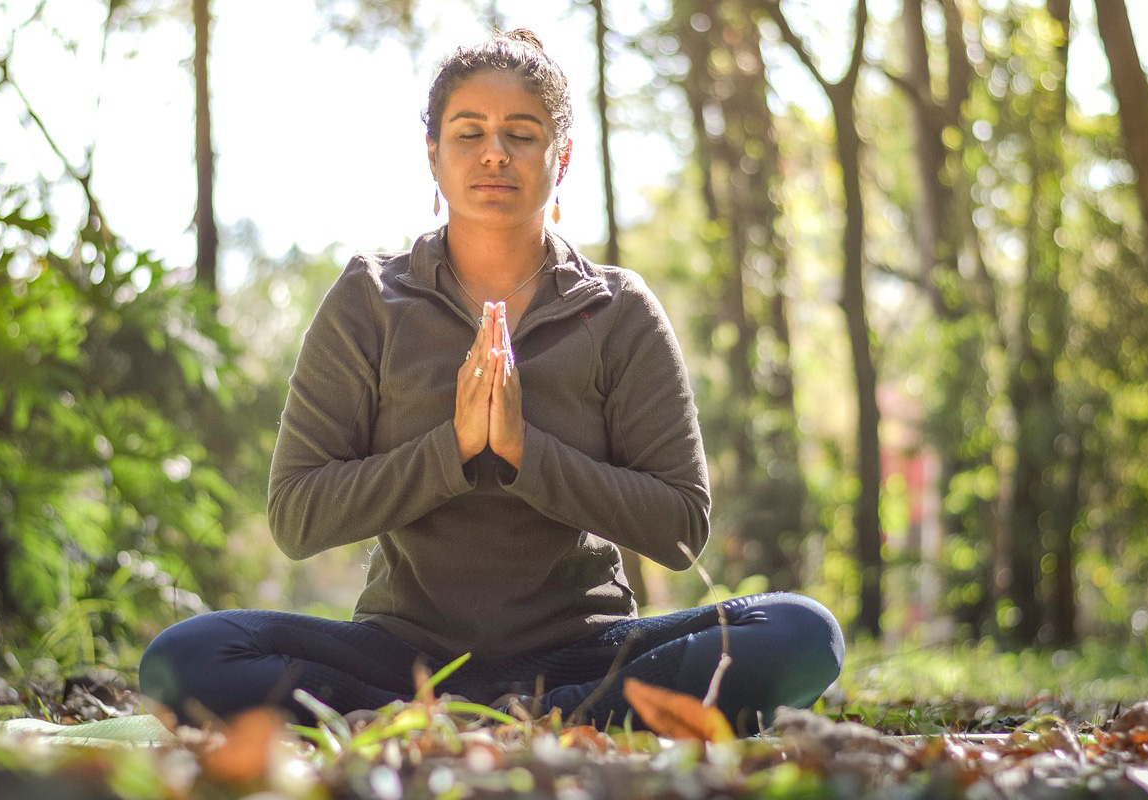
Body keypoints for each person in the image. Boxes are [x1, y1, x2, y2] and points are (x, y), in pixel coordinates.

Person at [139, 28, 843, 735]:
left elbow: (682, 528)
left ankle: (485, 719)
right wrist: (451, 451)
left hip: (585, 654)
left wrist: (523, 454)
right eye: (469, 132)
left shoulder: (618, 311)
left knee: (799, 632)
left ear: (560, 158)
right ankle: (475, 717)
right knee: (187, 655)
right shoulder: (370, 300)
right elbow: (297, 515)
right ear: (435, 157)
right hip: (401, 652)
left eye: (522, 134)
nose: (494, 153)